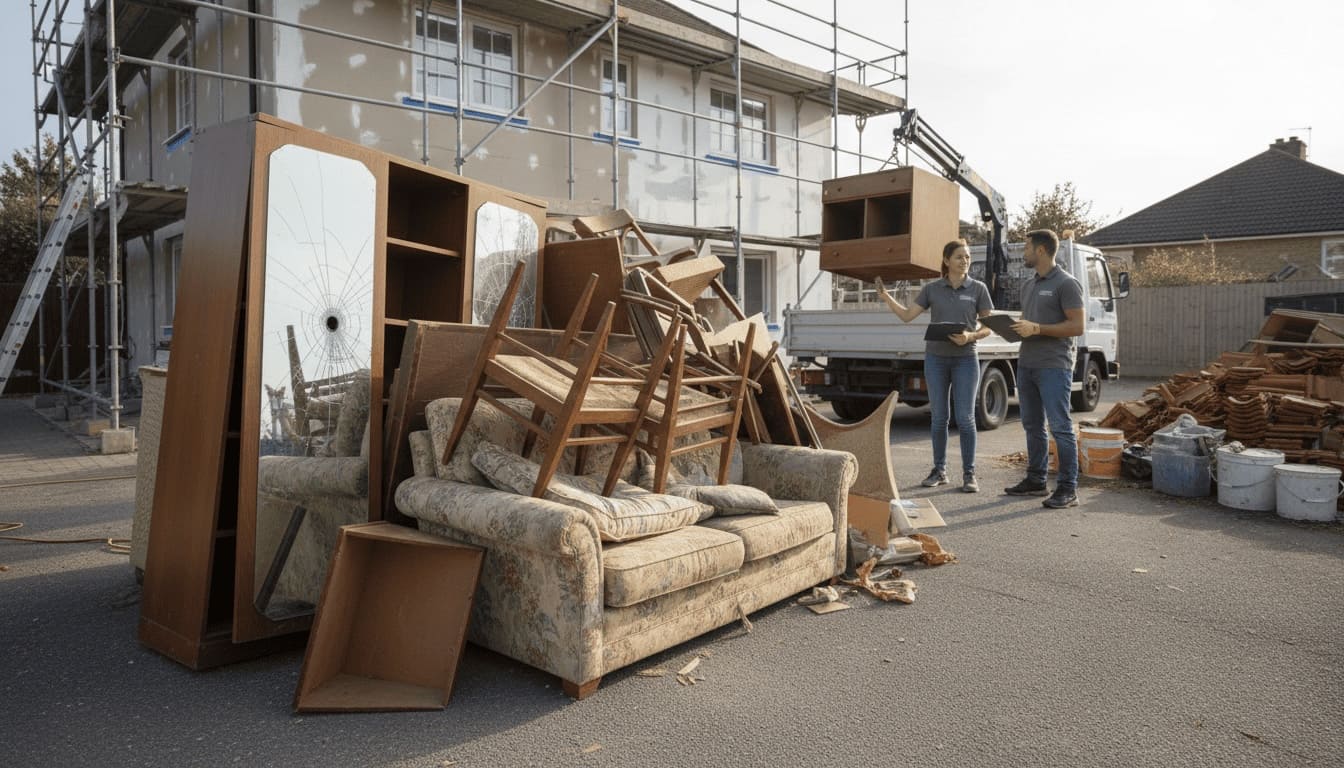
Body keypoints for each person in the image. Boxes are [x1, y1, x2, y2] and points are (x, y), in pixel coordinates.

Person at [875, 239, 993, 493]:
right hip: (936, 360)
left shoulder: (978, 289)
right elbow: (907, 316)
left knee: (965, 418)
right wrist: (886, 297)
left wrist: (970, 336)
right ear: (947, 260)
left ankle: (969, 474)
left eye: (968, 257)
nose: (965, 261)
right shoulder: (932, 289)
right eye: (960, 257)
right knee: (939, 417)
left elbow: (989, 327)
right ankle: (939, 471)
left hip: (966, 359)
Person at [1005, 229, 1086, 508]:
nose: (1023, 252)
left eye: (1026, 247)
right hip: (1027, 363)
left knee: (1060, 428)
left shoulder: (1067, 283)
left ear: (1040, 250)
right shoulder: (1029, 285)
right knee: (1032, 425)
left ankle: (1068, 489)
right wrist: (1013, 329)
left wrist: (1037, 328)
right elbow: (1030, 325)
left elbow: (1077, 326)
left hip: (1054, 366)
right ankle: (1036, 480)